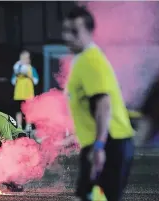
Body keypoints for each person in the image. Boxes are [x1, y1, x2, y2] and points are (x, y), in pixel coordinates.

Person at [62, 6, 134, 201]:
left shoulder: (90, 61)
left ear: (89, 32)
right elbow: (89, 108)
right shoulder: (83, 59)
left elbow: (103, 104)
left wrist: (99, 146)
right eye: (66, 31)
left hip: (109, 143)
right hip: (101, 144)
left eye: (74, 31)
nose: (68, 36)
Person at [11, 51, 39, 131]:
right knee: (18, 111)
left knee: (28, 110)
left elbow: (36, 81)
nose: (24, 60)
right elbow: (13, 81)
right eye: (22, 58)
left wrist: (29, 75)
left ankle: (28, 126)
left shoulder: (31, 69)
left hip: (28, 94)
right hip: (18, 94)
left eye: (26, 58)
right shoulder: (17, 69)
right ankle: (19, 125)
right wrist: (16, 75)